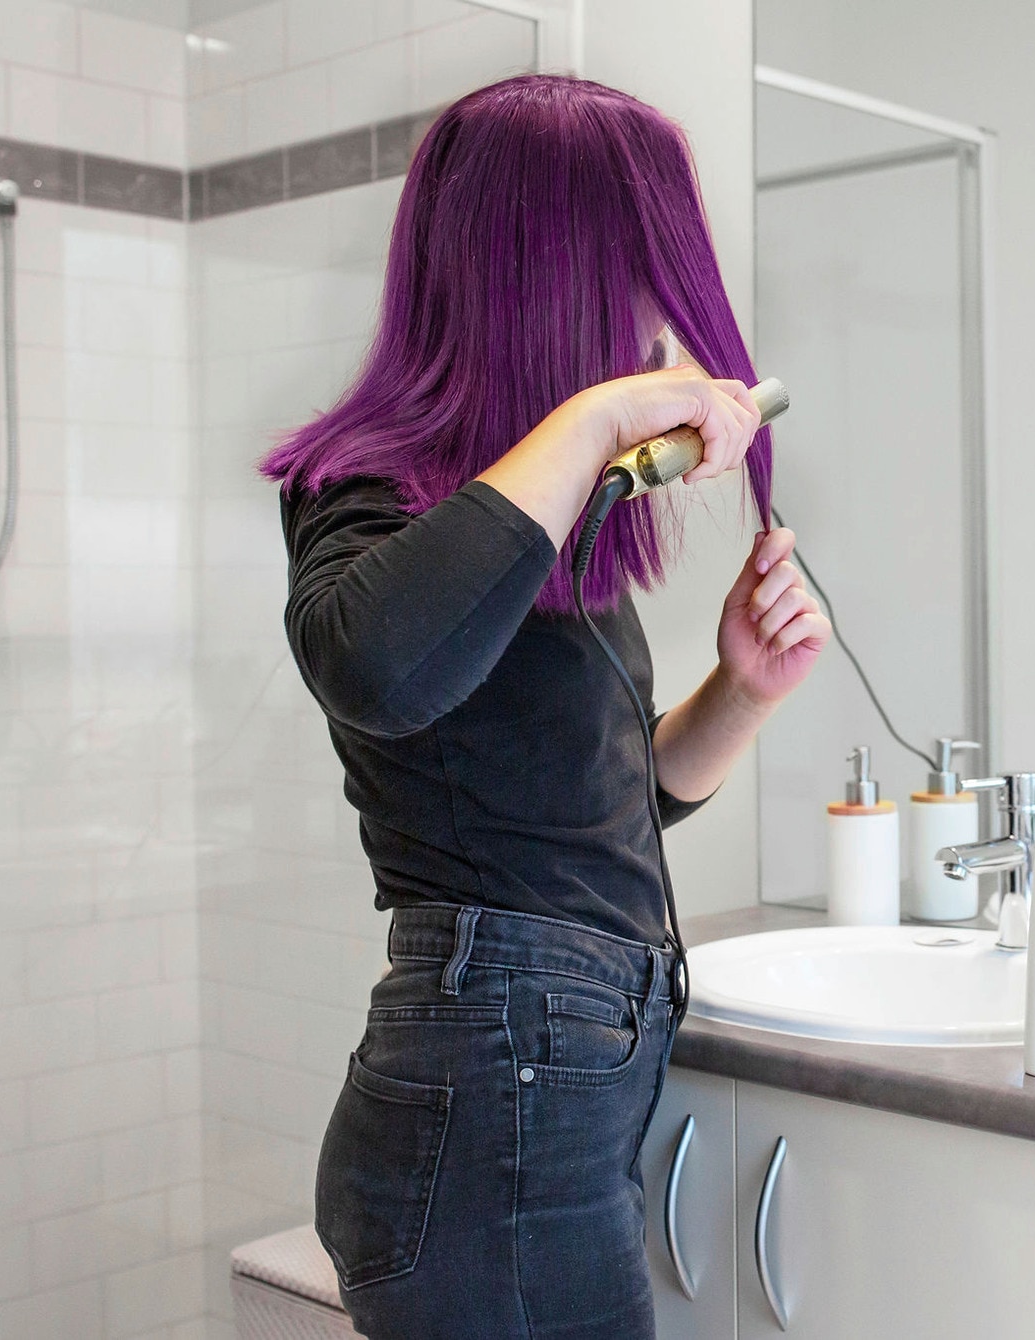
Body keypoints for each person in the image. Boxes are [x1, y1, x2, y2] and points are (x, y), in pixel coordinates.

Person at [259, 75, 830, 1339]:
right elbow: (375, 665)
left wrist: (739, 690)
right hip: (492, 1116)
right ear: (561, 267)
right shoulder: (370, 486)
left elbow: (591, 812)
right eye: (643, 263)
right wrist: (597, 416)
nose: (659, 316)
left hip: (533, 1106)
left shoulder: (547, 513)